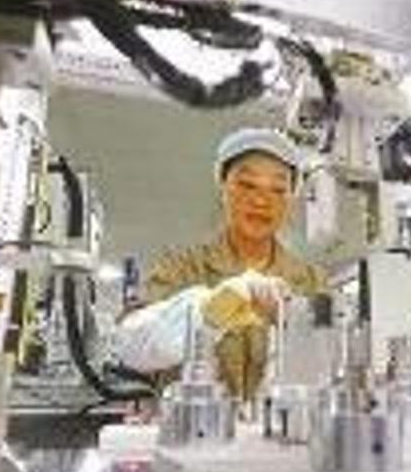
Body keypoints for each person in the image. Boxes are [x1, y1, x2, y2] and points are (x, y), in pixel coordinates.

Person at [118, 128, 326, 402]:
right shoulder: (181, 268)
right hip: (194, 427)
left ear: (290, 200)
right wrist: (207, 309)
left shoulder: (311, 281)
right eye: (247, 184)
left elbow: (328, 368)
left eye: (278, 190)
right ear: (223, 188)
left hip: (284, 427)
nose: (261, 200)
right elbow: (130, 347)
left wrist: (298, 327)